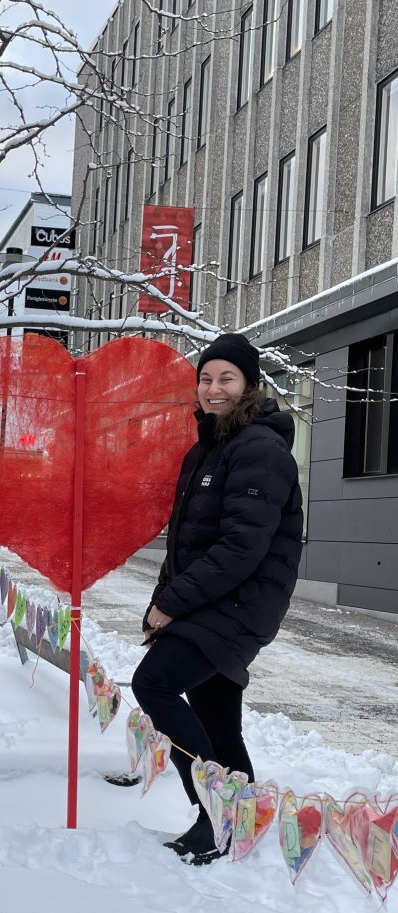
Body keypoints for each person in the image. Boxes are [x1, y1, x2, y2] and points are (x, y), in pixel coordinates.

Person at [132, 333, 303, 866]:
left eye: (226, 378)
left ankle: (216, 814)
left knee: (153, 683)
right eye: (205, 378)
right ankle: (241, 822)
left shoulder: (260, 450)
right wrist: (160, 606)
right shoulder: (207, 449)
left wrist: (172, 606)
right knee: (216, 718)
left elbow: (240, 548)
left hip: (239, 603)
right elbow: (183, 542)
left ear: (249, 384)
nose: (213, 388)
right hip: (210, 602)